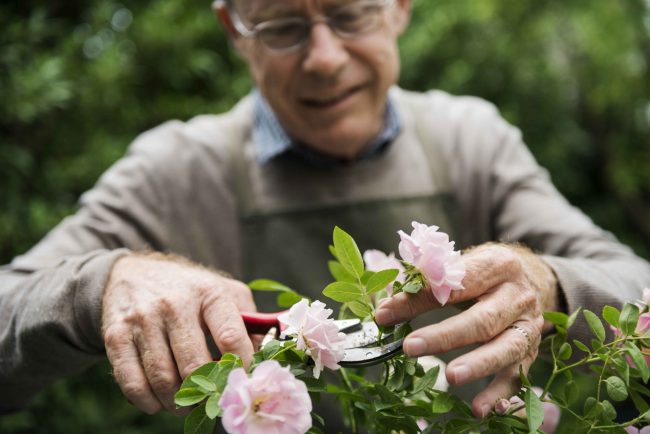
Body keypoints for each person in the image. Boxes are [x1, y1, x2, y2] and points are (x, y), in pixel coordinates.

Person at [1, 0, 649, 429]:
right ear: (234, 31)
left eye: (348, 14)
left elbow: (634, 283)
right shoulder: (173, 172)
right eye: (282, 26)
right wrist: (97, 287)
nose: (324, 57)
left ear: (397, 7)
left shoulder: (470, 142)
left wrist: (553, 286)